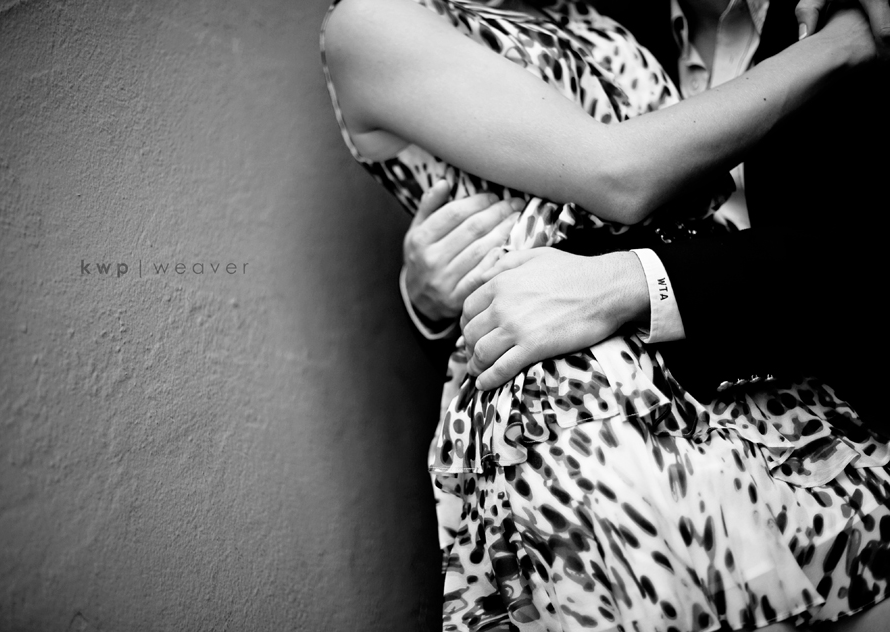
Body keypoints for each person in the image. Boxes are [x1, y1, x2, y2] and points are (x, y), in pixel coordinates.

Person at [321, 1, 889, 630]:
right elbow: (617, 173)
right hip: (583, 402)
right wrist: (846, 40)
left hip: (755, 385)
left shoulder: (593, 11)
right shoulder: (373, 17)